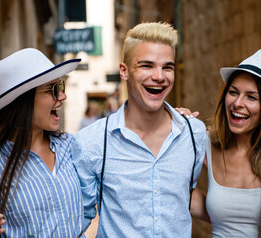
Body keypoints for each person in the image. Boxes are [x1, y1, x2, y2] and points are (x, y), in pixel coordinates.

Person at [72, 22, 206, 237]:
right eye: (147, 66)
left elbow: (185, 195)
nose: (159, 76)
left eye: (167, 67)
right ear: (124, 71)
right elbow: (76, 220)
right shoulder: (92, 142)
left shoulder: (193, 134)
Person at [0, 48, 84, 238]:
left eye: (60, 86)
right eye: (52, 89)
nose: (62, 96)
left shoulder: (69, 146)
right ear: (23, 101)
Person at [183, 49, 261, 237]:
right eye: (233, 92)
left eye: (251, 97)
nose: (237, 103)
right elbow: (175, 192)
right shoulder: (206, 145)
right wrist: (178, 125)